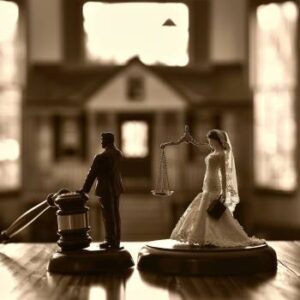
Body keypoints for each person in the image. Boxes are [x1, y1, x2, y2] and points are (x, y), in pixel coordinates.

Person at [161, 128, 264, 247]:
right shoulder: (214, 153)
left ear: (217, 141)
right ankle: (205, 236)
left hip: (215, 183)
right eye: (209, 141)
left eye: (211, 141)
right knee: (204, 207)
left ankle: (215, 236)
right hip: (208, 182)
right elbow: (198, 147)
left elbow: (225, 174)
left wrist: (225, 192)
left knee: (212, 207)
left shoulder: (222, 154)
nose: (210, 143)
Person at [80, 132, 124, 249]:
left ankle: (111, 241)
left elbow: (92, 175)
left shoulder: (101, 157)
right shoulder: (118, 154)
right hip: (116, 188)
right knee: (115, 215)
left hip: (106, 190)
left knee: (108, 216)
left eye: (102, 140)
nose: (101, 142)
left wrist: (84, 190)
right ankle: (116, 241)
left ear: (107, 141)